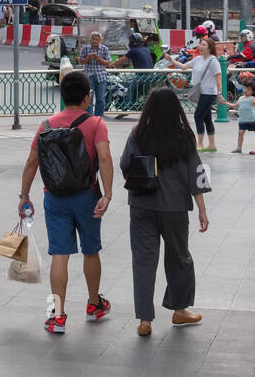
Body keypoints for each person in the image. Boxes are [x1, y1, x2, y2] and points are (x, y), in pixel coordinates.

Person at [18, 69, 114, 334]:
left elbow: (31, 162)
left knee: (60, 254)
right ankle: (94, 304)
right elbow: (105, 159)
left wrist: (24, 196)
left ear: (62, 96)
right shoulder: (95, 123)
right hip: (87, 196)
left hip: (55, 198)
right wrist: (107, 194)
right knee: (90, 250)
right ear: (86, 98)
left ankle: (58, 316)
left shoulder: (46, 125)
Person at [121, 88, 210, 335]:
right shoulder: (184, 136)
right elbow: (196, 174)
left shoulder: (138, 133)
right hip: (175, 208)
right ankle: (180, 310)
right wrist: (202, 210)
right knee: (180, 257)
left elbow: (124, 164)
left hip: (141, 206)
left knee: (143, 261)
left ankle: (145, 320)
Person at [168, 37, 222, 152]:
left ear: (210, 48)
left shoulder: (213, 61)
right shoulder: (197, 59)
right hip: (200, 92)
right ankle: (212, 145)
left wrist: (219, 94)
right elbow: (183, 67)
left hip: (209, 93)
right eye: (200, 44)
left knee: (198, 116)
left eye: (203, 45)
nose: (200, 47)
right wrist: (171, 60)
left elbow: (218, 79)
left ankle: (200, 143)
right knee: (206, 118)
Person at [75, 30, 111, 118]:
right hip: (89, 76)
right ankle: (89, 117)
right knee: (89, 99)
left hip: (101, 76)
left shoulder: (104, 49)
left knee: (100, 99)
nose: (94, 41)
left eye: (97, 39)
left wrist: (98, 58)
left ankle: (99, 117)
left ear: (100, 40)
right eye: (93, 39)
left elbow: (108, 63)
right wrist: (88, 57)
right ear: (90, 39)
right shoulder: (86, 48)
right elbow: (81, 61)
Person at [233, 78, 255, 154]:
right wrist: (225, 103)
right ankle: (239, 148)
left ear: (253, 91)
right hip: (242, 120)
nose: (246, 90)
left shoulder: (253, 99)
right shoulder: (240, 98)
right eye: (245, 88)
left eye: (248, 89)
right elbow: (234, 105)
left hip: (252, 120)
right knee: (240, 133)